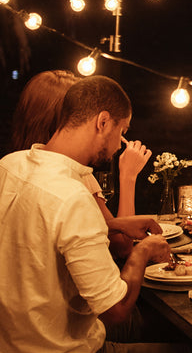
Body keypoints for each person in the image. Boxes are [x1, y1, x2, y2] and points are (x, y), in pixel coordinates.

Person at [0, 75, 191, 353]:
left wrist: (114, 224)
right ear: (102, 122)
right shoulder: (71, 195)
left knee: (174, 330)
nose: (119, 145)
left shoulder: (10, 165)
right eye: (122, 131)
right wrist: (143, 252)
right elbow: (114, 311)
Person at [11, 70, 153, 258]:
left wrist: (113, 225)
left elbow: (46, 233)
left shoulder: (13, 164)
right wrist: (128, 176)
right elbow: (120, 247)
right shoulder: (73, 179)